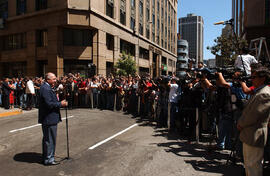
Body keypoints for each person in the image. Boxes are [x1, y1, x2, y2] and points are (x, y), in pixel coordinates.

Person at [237, 66, 270, 176]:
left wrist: (241, 123)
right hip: (250, 133)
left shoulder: (264, 94)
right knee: (249, 164)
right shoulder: (259, 91)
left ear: (263, 78)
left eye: (254, 77)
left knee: (253, 165)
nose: (251, 79)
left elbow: (253, 116)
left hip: (255, 134)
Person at [38, 72, 68, 166]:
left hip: (48, 118)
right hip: (49, 118)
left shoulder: (46, 87)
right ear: (48, 79)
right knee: (50, 139)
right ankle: (49, 159)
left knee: (48, 139)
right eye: (54, 79)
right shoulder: (46, 88)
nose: (55, 80)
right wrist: (61, 104)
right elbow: (49, 104)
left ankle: (46, 157)